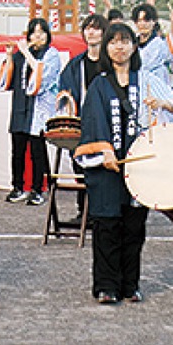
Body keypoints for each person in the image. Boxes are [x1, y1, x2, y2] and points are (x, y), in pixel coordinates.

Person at [73, 21, 173, 304]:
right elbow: (93, 120)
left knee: (134, 227)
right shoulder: (98, 85)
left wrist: (163, 105)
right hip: (106, 166)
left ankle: (130, 284)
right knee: (107, 225)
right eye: (113, 41)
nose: (119, 47)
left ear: (134, 46)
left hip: (140, 165)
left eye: (125, 41)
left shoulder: (147, 79)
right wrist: (105, 151)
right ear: (106, 48)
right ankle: (106, 286)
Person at [0, 17, 61, 206]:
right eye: (34, 32)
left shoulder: (51, 54)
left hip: (39, 107)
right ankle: (17, 186)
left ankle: (37, 189)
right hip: (20, 105)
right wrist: (10, 56)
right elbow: (6, 80)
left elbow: (43, 77)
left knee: (37, 150)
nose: (37, 36)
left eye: (42, 32)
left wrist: (26, 53)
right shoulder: (20, 54)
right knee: (17, 150)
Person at [58, 13, 110, 221]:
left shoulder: (111, 63)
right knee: (80, 166)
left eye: (96, 28)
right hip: (82, 123)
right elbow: (64, 92)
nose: (91, 32)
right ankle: (84, 212)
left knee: (104, 169)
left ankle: (103, 212)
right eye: (88, 28)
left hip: (107, 123)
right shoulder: (75, 64)